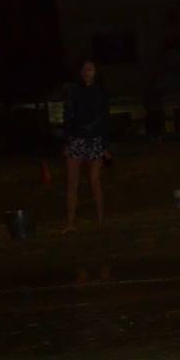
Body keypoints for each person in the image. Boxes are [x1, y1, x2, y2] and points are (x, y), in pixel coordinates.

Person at [61, 59, 109, 232]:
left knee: (95, 180)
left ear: (96, 72)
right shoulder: (74, 91)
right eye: (84, 69)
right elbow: (68, 117)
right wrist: (66, 142)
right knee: (72, 182)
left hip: (95, 139)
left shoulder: (100, 92)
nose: (87, 72)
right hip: (76, 139)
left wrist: (105, 146)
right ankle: (70, 223)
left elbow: (104, 119)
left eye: (90, 69)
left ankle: (101, 221)